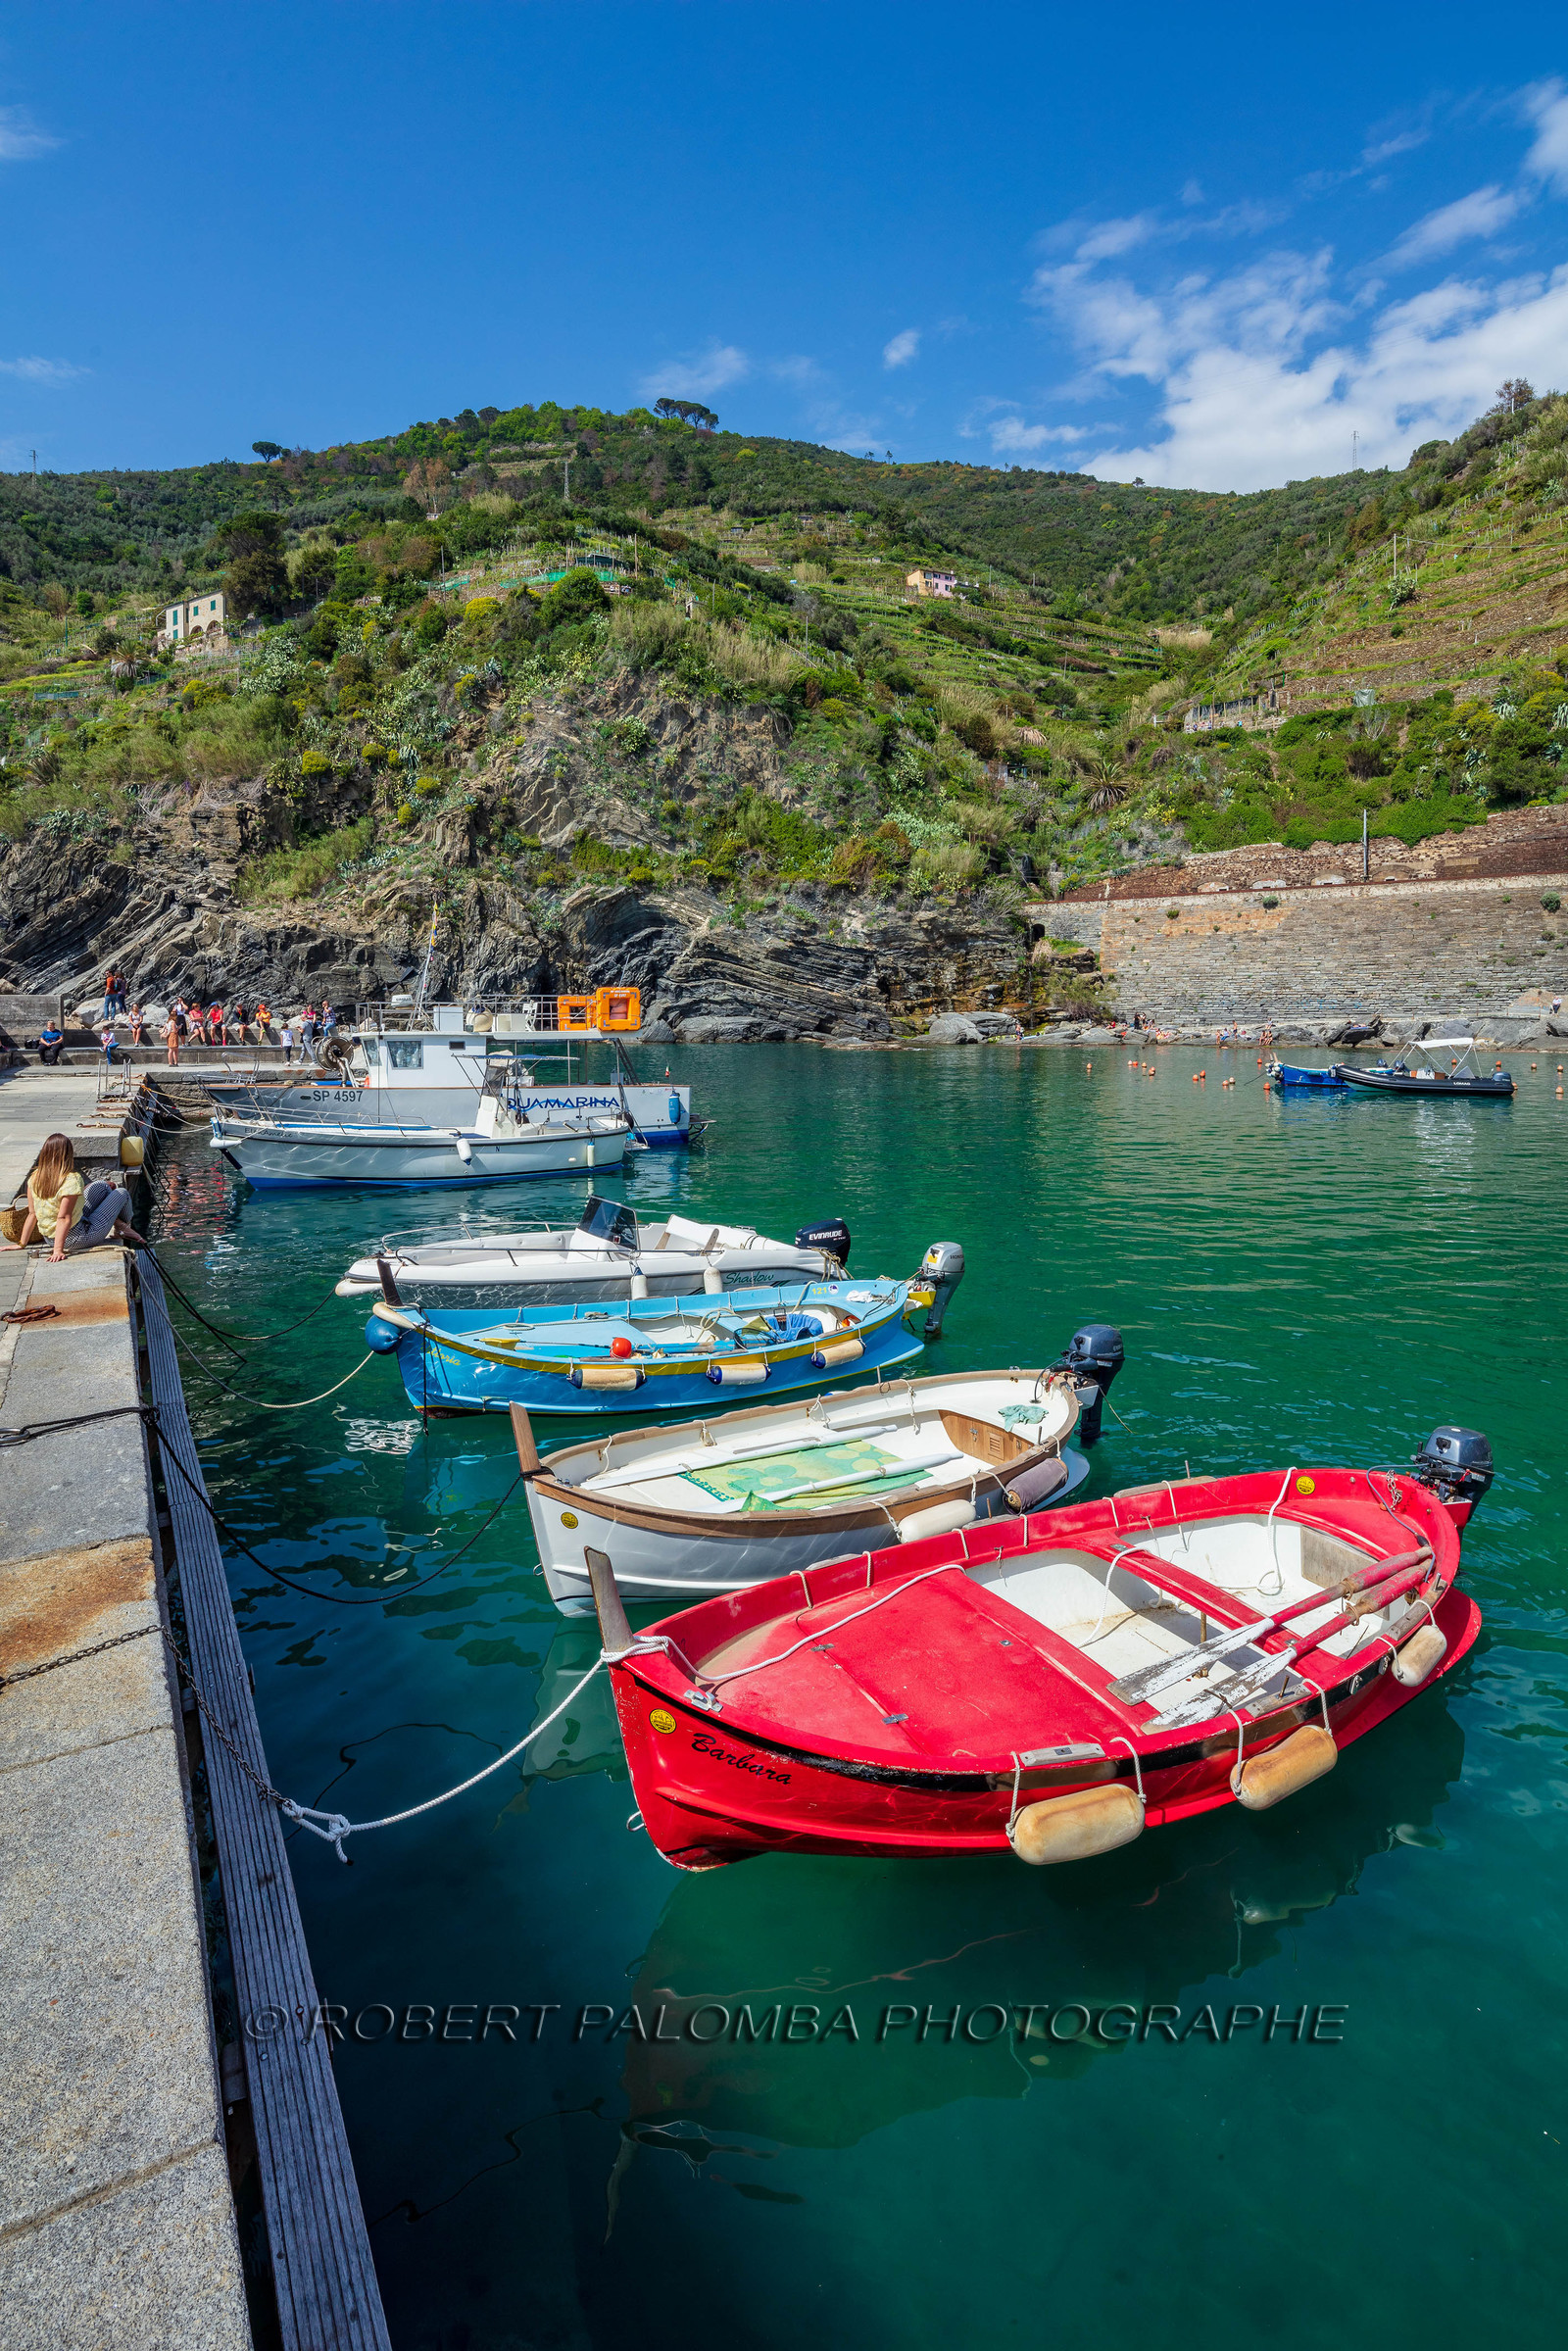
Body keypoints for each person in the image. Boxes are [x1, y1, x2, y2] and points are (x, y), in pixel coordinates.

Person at [4, 1133, 137, 1261]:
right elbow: (63, 1217)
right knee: (122, 1193)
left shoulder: (35, 1177)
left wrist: (21, 1243)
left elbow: (32, 1213)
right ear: (68, 1154)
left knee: (102, 1186)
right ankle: (124, 1226)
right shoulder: (71, 1179)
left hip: (49, 1237)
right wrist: (57, 1250)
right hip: (78, 1236)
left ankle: (119, 1224)